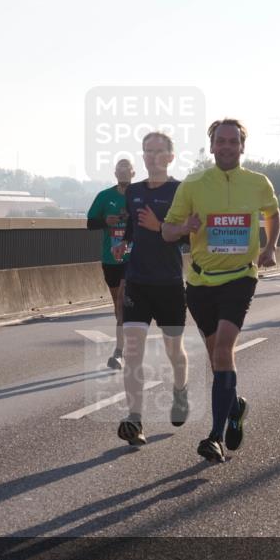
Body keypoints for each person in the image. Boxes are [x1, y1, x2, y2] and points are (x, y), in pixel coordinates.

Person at [162, 118, 280, 463]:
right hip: (200, 283)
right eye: (221, 141)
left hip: (241, 277)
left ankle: (214, 436)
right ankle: (236, 405)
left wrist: (270, 247)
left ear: (242, 147)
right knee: (217, 360)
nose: (227, 147)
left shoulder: (258, 183)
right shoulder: (194, 185)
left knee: (225, 349)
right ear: (211, 146)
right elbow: (167, 232)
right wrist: (186, 226)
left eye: (233, 141)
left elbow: (273, 214)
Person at [111, 133, 190, 446]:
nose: (152, 156)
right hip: (138, 282)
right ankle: (135, 418)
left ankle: (180, 392)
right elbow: (132, 227)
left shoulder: (180, 191)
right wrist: (124, 244)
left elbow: (188, 235)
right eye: (147, 151)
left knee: (174, 350)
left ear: (171, 157)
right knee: (132, 352)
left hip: (169, 284)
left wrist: (162, 228)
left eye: (159, 151)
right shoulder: (134, 191)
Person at [87, 158, 134, 369]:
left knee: (123, 299)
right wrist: (106, 221)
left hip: (134, 258)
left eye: (127, 170)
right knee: (117, 304)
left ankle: (119, 352)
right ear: (115, 174)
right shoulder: (105, 196)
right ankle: (124, 339)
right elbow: (90, 223)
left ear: (133, 173)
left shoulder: (139, 195)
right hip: (111, 258)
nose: (123, 173)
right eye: (120, 170)